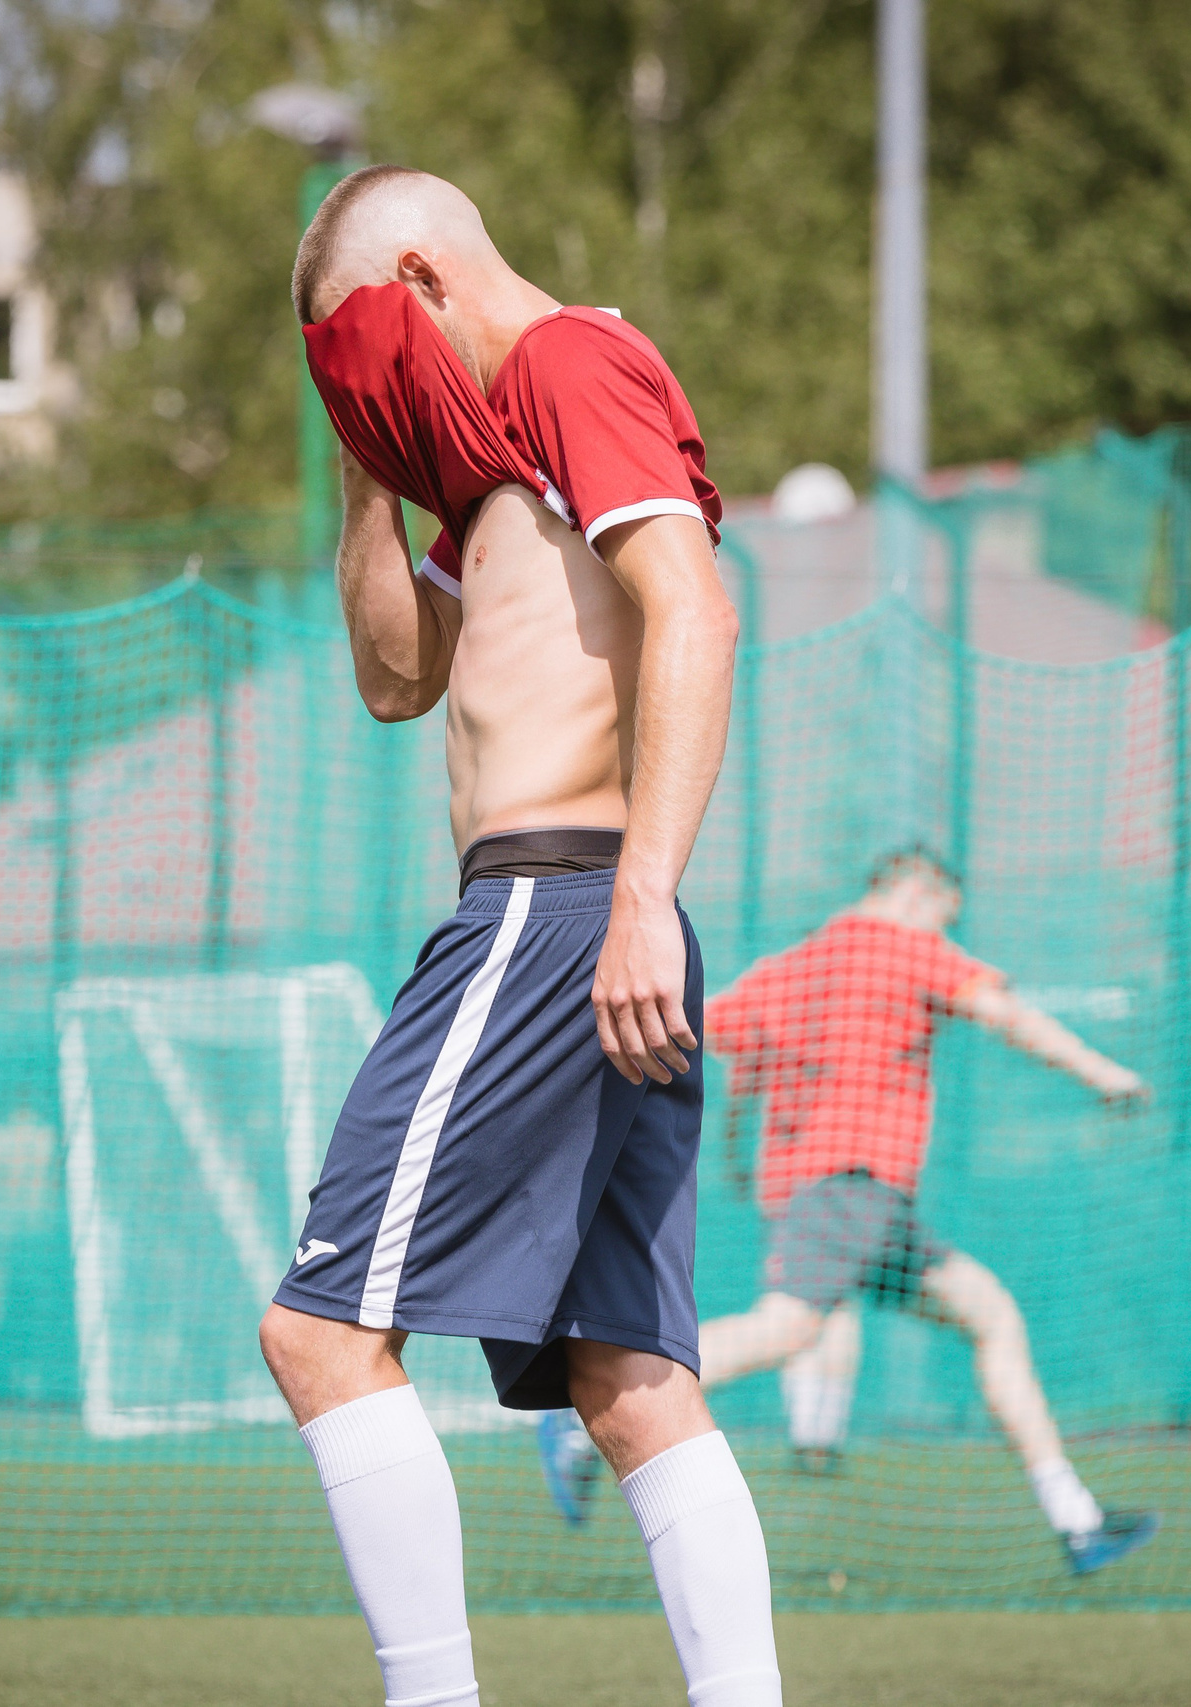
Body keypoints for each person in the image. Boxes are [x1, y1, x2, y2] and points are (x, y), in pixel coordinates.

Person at [255, 167, 780, 1707]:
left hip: (562, 911)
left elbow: (692, 611)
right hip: (582, 922)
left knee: (320, 1334)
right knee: (630, 1383)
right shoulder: (494, 467)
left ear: (419, 280)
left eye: (358, 346)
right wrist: (370, 473)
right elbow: (396, 675)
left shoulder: (567, 363)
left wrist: (636, 902)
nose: (368, 383)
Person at [581, 847, 1158, 1575]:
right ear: (918, 891)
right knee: (790, 1326)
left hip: (842, 1197)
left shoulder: (791, 967)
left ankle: (1077, 1520)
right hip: (851, 1183)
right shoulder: (906, 947)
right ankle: (595, 1405)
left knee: (992, 1315)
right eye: (946, 915)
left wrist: (734, 1152)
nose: (946, 929)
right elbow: (1003, 1013)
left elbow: (720, 1049)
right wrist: (1102, 1073)